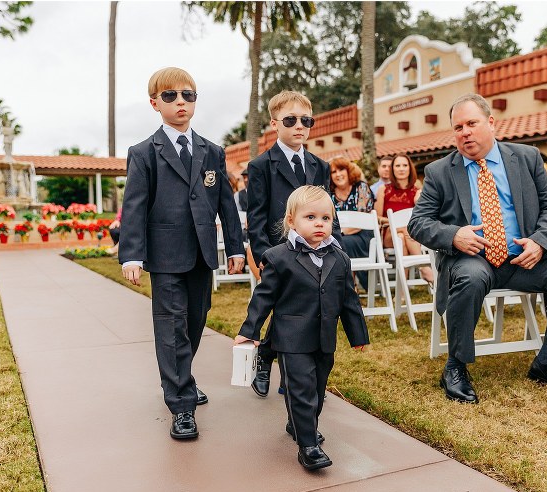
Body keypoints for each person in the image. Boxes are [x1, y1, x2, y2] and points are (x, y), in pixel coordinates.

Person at [408, 93, 547, 402]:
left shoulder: (526, 157)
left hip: (523, 258)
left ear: (491, 123)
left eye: (472, 123)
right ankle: (455, 366)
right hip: (473, 259)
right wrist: (454, 235)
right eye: (458, 127)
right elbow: (418, 223)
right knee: (470, 277)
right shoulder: (440, 172)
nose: (465, 132)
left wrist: (540, 242)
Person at [119, 67, 245, 440]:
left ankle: (182, 378)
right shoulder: (144, 153)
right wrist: (131, 255)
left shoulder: (212, 152)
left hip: (202, 255)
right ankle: (181, 403)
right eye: (171, 96)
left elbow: (225, 203)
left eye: (188, 95)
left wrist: (235, 247)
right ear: (155, 103)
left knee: (195, 320)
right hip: (165, 255)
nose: (180, 103)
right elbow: (135, 206)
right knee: (172, 328)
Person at [234, 186, 369, 471]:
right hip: (290, 339)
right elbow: (263, 298)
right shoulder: (278, 257)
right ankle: (308, 445)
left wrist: (358, 335)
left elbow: (349, 300)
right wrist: (250, 331)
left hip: (324, 339)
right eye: (310, 217)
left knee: (318, 389)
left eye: (326, 218)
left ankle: (299, 424)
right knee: (300, 389)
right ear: (292, 220)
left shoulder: (340, 258)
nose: (319, 223)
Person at [246, 90, 339, 398]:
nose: (299, 125)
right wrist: (262, 255)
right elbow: (256, 215)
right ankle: (270, 364)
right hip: (279, 252)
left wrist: (330, 245)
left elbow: (326, 211)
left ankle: (279, 367)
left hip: (314, 251)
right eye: (290, 119)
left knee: (300, 310)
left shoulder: (319, 166)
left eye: (306, 120)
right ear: (275, 123)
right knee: (283, 308)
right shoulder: (262, 166)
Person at [374, 153, 434, 284]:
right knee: (405, 230)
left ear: (410, 168)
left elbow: (423, 215)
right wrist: (394, 221)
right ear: (392, 169)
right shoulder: (383, 189)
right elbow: (377, 218)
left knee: (402, 237)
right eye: (397, 165)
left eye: (405, 165)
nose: (401, 168)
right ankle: (424, 267)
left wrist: (419, 200)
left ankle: (402, 291)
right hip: (388, 233)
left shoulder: (417, 190)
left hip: (408, 236)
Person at [329, 156, 374, 290]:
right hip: (338, 235)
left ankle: (348, 286)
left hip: (362, 235)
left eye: (341, 169)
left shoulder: (361, 188)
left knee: (342, 243)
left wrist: (340, 233)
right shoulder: (329, 193)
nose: (338, 174)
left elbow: (362, 220)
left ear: (349, 171)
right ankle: (346, 286)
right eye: (333, 172)